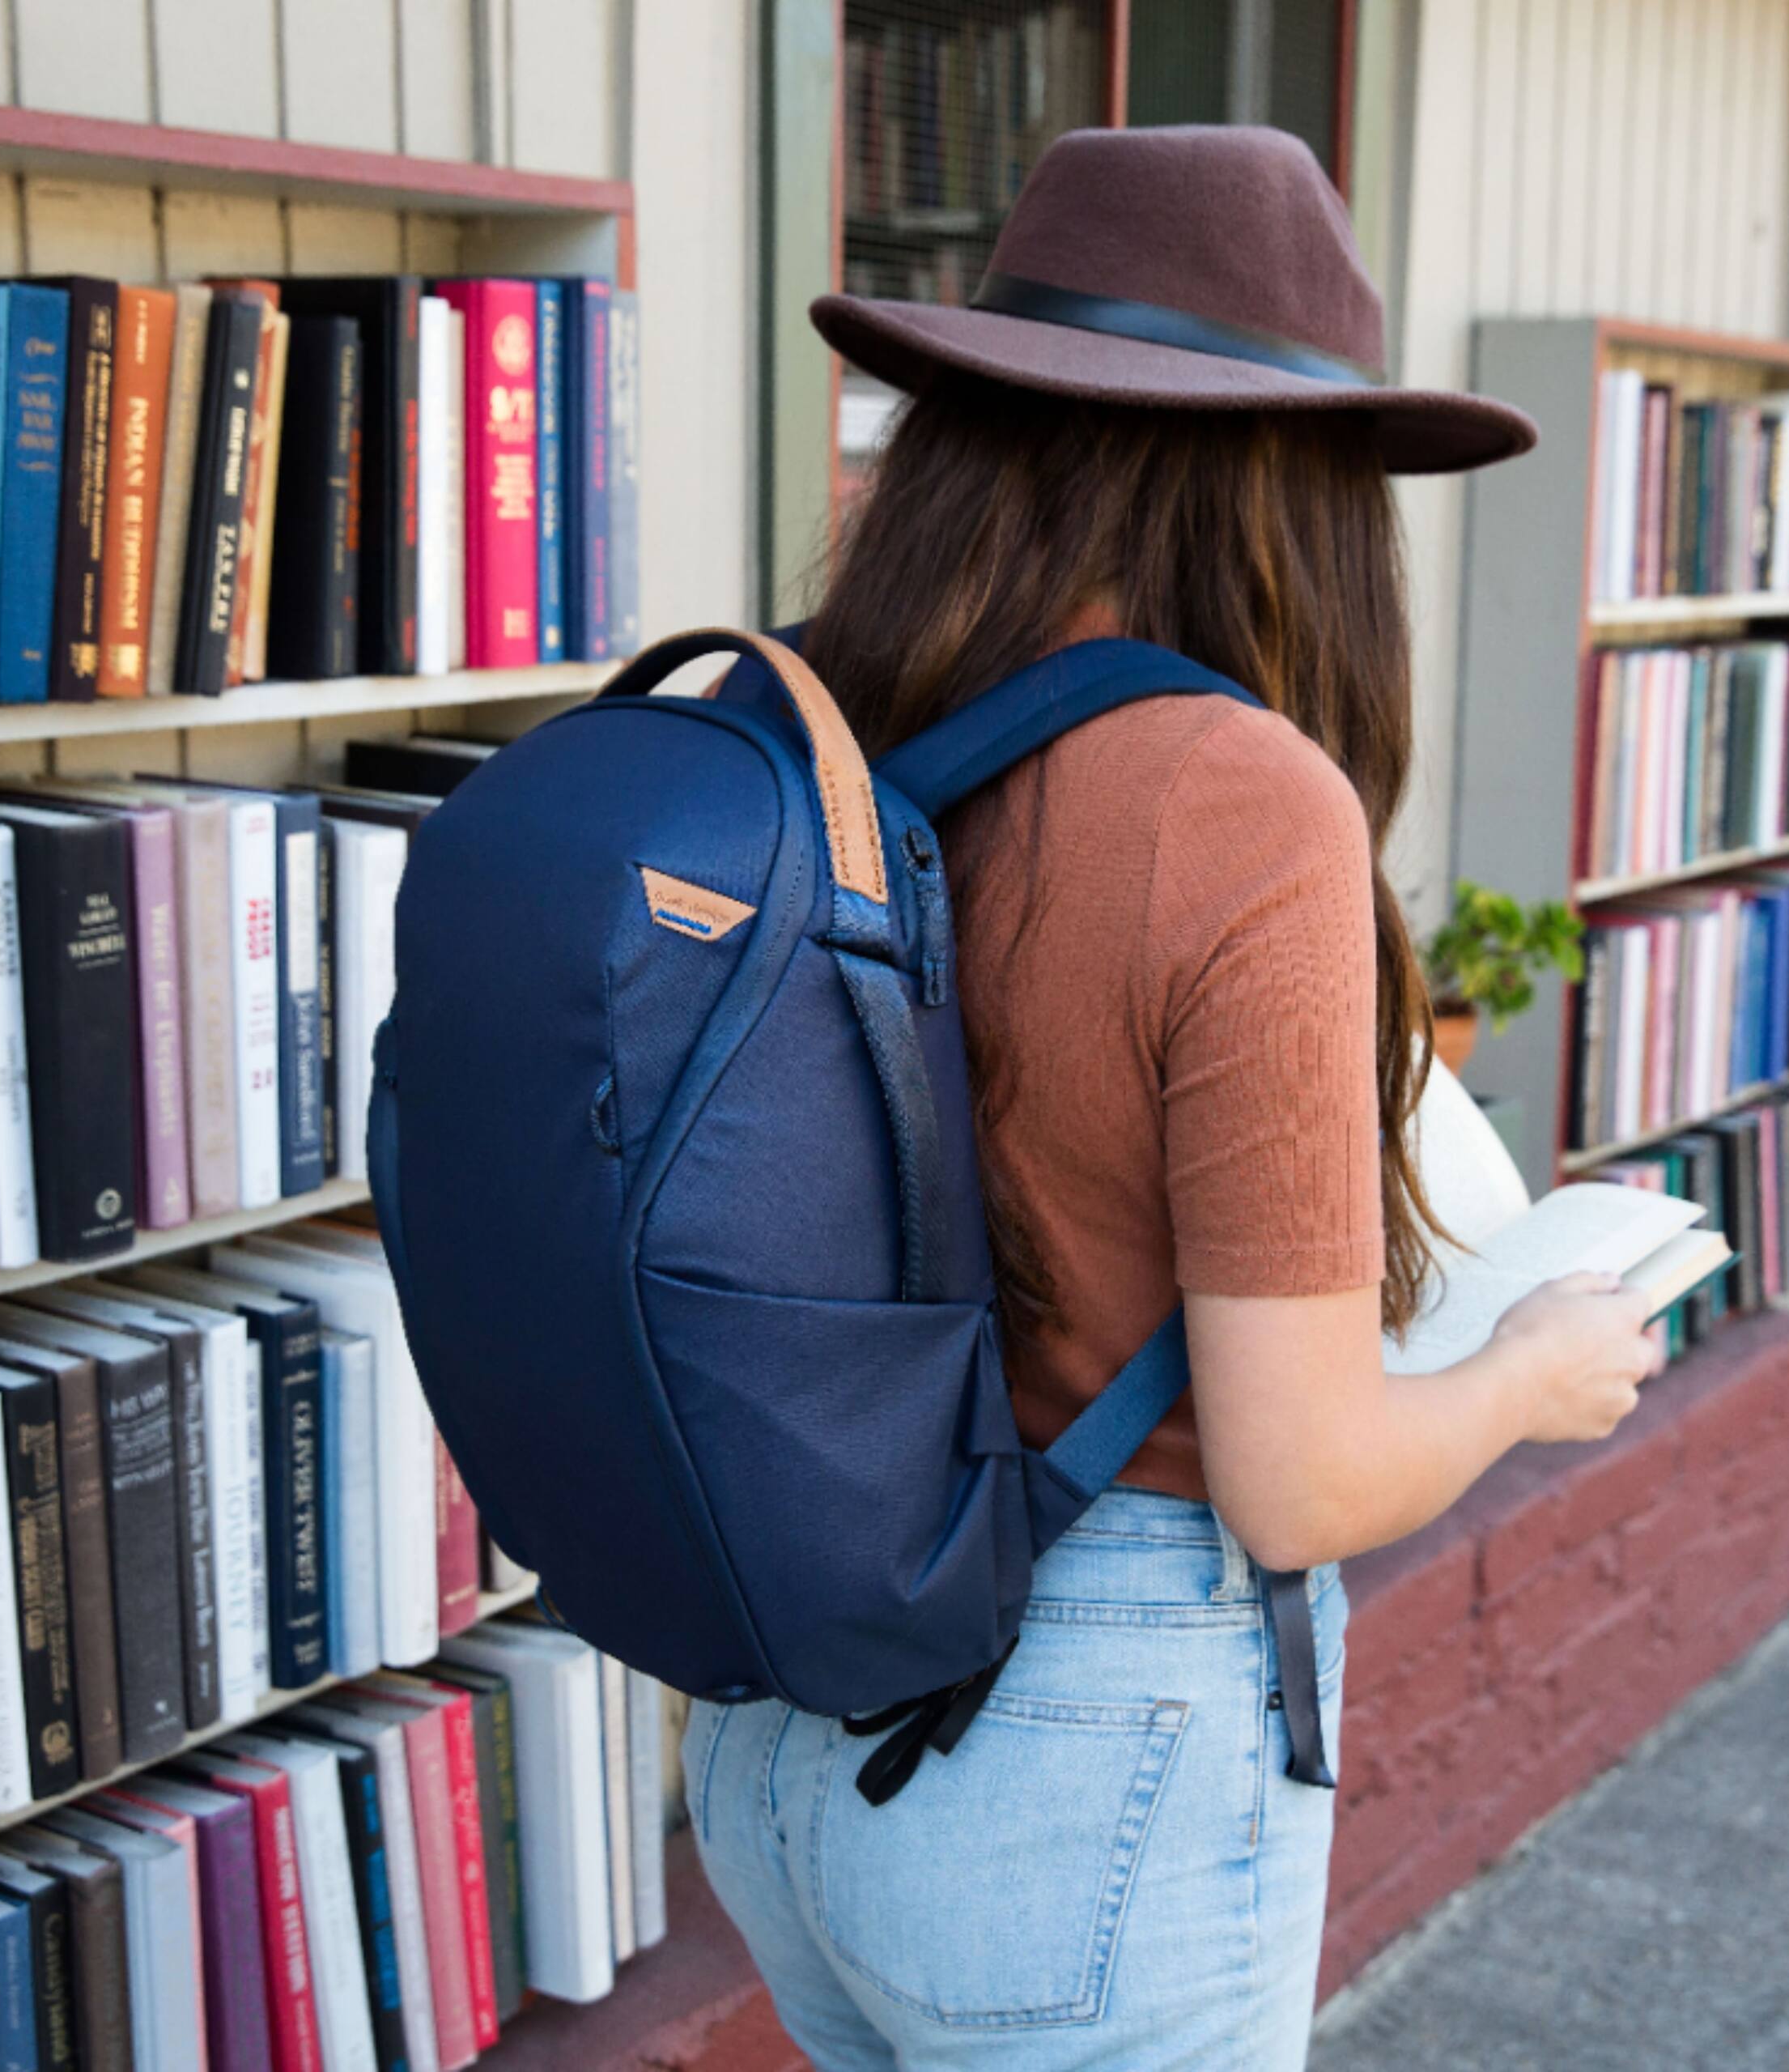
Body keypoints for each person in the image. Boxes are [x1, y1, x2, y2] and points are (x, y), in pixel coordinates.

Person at [682, 125, 1667, 2070]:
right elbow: (1297, 1477)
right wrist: (1534, 1375)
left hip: (783, 1725)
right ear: (1294, 490)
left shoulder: (818, 720)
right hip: (1078, 1748)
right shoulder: (1237, 799)